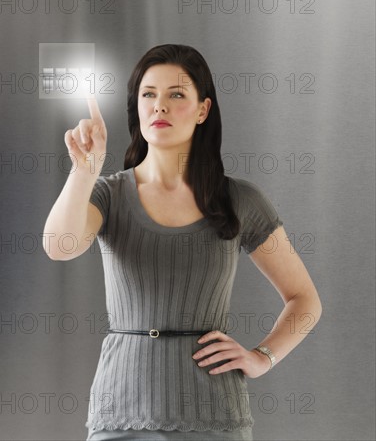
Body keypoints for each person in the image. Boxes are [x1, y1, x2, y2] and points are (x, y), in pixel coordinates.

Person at [42, 44, 322, 441]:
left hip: (214, 416)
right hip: (119, 413)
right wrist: (84, 172)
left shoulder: (240, 200)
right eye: (148, 95)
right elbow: (59, 246)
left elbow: (305, 299)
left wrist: (262, 358)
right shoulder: (107, 194)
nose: (160, 107)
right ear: (137, 108)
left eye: (176, 95)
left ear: (203, 109)